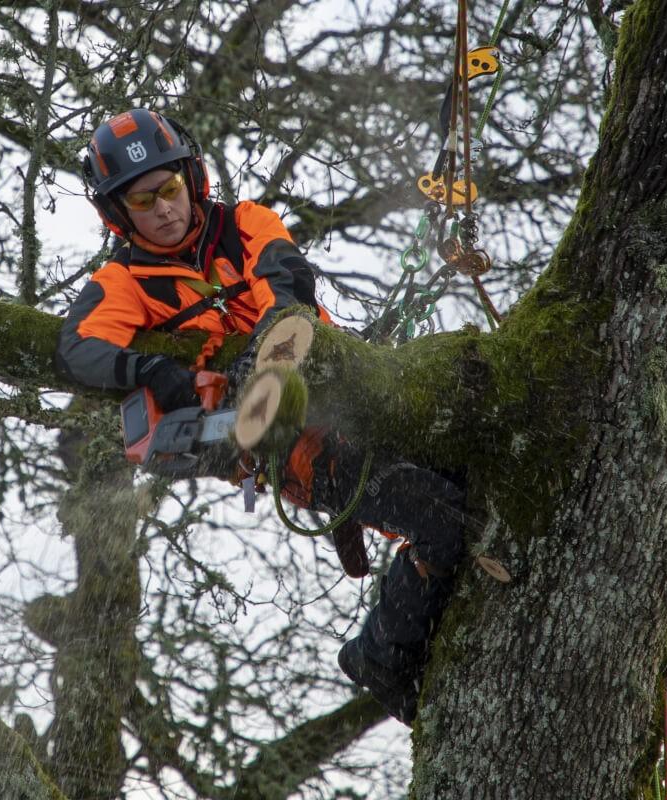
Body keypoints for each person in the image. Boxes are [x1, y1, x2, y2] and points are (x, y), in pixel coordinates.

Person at [56, 108, 467, 725]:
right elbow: (79, 346)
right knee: (440, 520)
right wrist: (154, 373)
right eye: (144, 201)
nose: (164, 209)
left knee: (464, 467)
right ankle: (379, 656)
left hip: (343, 386)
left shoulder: (243, 222)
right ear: (118, 214)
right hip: (282, 446)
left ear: (191, 179)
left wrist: (265, 357)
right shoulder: (125, 281)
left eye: (170, 189)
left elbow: (283, 279)